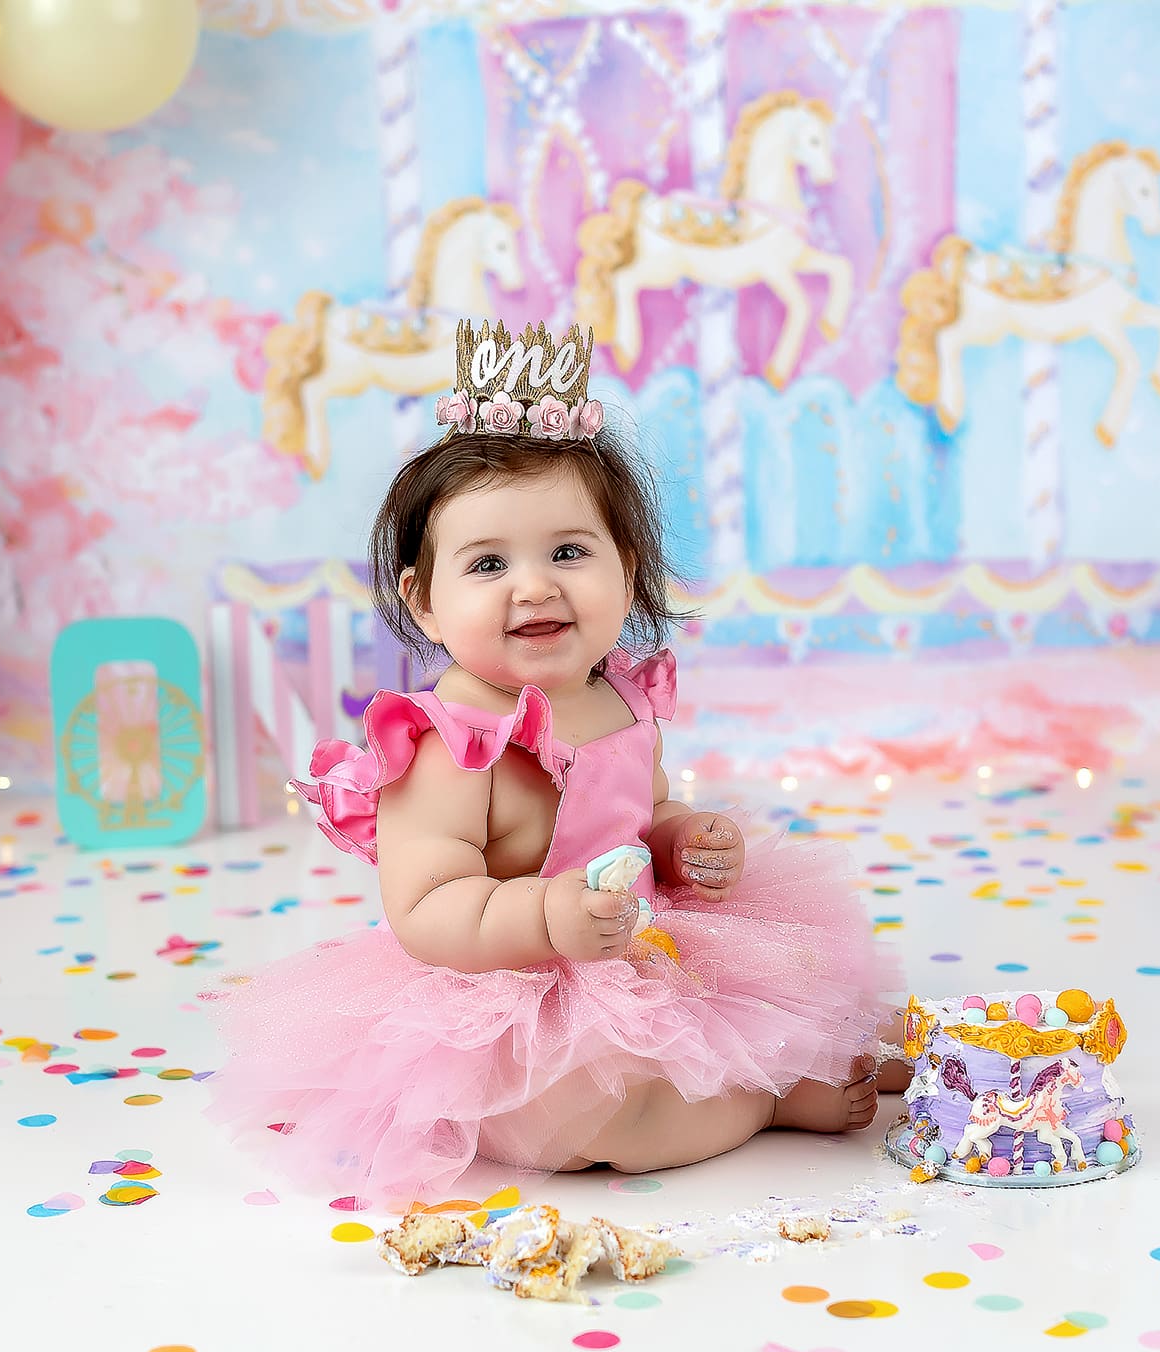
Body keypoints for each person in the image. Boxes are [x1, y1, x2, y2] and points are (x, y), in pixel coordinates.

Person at [206, 321, 903, 1201]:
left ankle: (777, 1076)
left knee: (792, 992)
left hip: (645, 947)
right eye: (488, 562)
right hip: (508, 988)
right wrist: (546, 917)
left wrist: (685, 841)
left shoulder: (619, 694)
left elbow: (640, 816)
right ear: (423, 600)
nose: (534, 586)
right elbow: (426, 905)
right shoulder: (447, 739)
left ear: (629, 566)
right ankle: (760, 1106)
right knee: (584, 1116)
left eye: (569, 551)